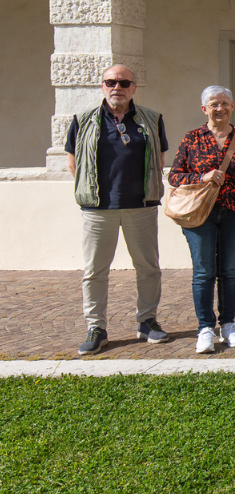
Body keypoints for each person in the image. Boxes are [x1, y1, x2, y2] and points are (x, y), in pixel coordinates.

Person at [66, 64, 170, 355]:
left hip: (141, 205)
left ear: (134, 88)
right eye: (111, 82)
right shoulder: (83, 120)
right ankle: (96, 327)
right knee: (95, 271)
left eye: (124, 83)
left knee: (148, 269)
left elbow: (159, 159)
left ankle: (147, 321)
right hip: (98, 209)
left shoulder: (152, 118)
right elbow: (73, 163)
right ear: (102, 86)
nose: (117, 88)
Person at [169, 85, 235, 353]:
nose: (219, 108)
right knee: (203, 272)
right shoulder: (192, 139)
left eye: (224, 103)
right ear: (204, 109)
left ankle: (229, 324)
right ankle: (205, 328)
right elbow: (174, 176)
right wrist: (202, 177)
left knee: (229, 271)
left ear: (233, 107)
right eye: (213, 104)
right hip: (200, 214)